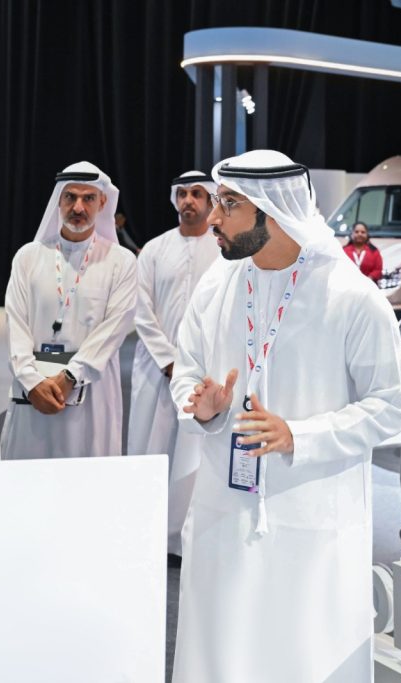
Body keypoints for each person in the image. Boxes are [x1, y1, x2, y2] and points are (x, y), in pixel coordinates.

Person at [170, 150, 401, 683]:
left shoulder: (352, 298)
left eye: (228, 205)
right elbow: (186, 374)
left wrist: (298, 435)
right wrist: (201, 408)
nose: (213, 218)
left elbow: (389, 408)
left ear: (271, 211)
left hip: (312, 520)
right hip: (223, 511)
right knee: (222, 650)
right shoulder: (215, 287)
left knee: (302, 654)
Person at [1, 161, 136, 459]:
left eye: (88, 198)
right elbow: (16, 324)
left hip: (92, 396)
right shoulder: (28, 256)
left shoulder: (121, 261)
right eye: (70, 197)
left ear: (102, 203)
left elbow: (114, 329)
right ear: (58, 201)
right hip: (33, 391)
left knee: (86, 476)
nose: (78, 207)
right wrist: (31, 381)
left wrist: (72, 376)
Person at [127, 170, 219, 557]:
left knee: (193, 456)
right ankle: (142, 535)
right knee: (150, 446)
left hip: (203, 372)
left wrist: (189, 366)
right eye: (182, 193)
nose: (188, 201)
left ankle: (180, 541)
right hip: (154, 368)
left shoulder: (224, 251)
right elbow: (141, 309)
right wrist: (168, 360)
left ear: (210, 201)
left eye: (197, 194)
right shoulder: (154, 249)